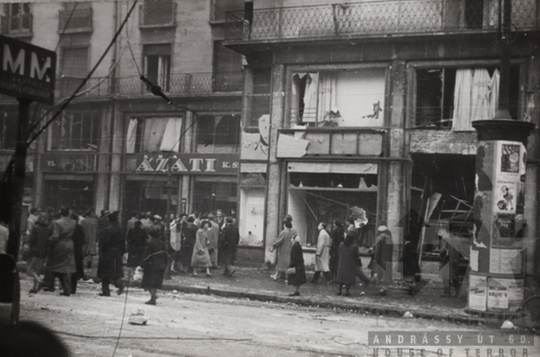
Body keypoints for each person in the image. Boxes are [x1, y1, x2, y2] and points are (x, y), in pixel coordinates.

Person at [43, 207, 76, 296]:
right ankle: (67, 288)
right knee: (67, 266)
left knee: (52, 264)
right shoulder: (73, 222)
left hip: (59, 244)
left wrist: (48, 241)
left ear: (61, 213)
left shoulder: (57, 223)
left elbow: (56, 235)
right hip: (69, 243)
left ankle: (50, 285)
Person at [97, 212, 125, 296]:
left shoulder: (107, 229)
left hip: (107, 253)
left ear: (109, 220)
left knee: (105, 272)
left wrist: (101, 250)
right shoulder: (121, 228)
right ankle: (119, 284)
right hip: (117, 252)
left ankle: (105, 291)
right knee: (115, 271)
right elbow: (123, 242)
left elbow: (103, 242)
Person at [141, 229, 168, 305]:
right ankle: (153, 299)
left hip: (152, 264)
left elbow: (146, 254)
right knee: (156, 282)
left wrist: (143, 264)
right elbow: (166, 254)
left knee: (147, 282)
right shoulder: (162, 243)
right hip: (161, 264)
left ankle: (154, 295)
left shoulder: (149, 242)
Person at [27, 213, 50, 294]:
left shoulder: (35, 228)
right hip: (43, 252)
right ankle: (34, 287)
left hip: (34, 251)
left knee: (29, 269)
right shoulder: (47, 229)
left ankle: (39, 281)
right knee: (37, 270)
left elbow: (31, 239)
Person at [335, 230, 359, 296]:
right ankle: (347, 291)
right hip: (350, 264)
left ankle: (339, 290)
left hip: (342, 263)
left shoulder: (341, 244)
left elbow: (338, 252)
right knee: (348, 278)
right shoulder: (354, 247)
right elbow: (356, 255)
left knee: (341, 277)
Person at [439, 227, 461, 298]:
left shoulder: (445, 239)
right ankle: (457, 292)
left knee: (446, 277)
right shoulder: (458, 239)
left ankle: (447, 293)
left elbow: (443, 250)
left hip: (447, 260)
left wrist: (440, 254)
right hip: (455, 260)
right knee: (455, 277)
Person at [70, 213, 86, 294]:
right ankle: (73, 288)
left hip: (70, 249)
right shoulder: (80, 227)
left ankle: (66, 286)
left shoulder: (70, 227)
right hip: (78, 250)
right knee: (75, 269)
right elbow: (83, 240)